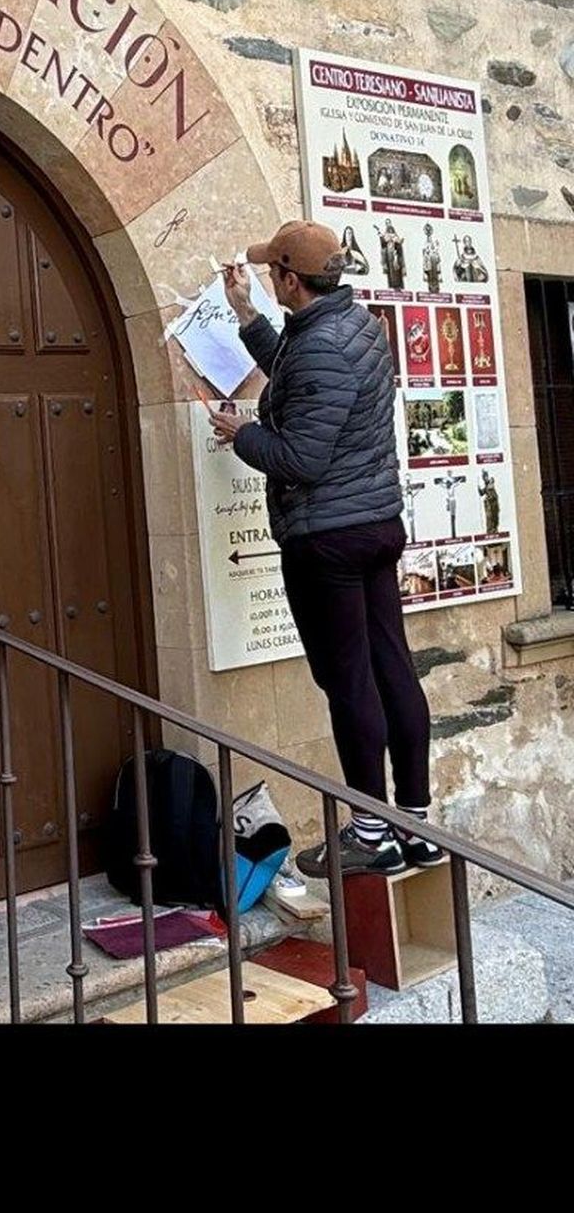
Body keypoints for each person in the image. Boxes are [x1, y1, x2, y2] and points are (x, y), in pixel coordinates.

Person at [209, 220, 442, 877]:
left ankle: (370, 829)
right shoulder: (356, 327)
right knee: (392, 665)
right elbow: (305, 371)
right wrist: (249, 318)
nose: (265, 280)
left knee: (348, 680)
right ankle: (414, 825)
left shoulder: (318, 348)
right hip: (374, 526)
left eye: (269, 274)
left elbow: (302, 458)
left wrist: (241, 432)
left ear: (291, 278)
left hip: (329, 537)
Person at [379, 219, 406, 290]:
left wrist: (398, 242)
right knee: (391, 272)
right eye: (387, 223)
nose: (388, 224)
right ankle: (392, 285)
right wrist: (381, 237)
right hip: (389, 256)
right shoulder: (385, 234)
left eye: (389, 222)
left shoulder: (394, 233)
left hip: (396, 257)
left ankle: (399, 285)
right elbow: (383, 245)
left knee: (397, 270)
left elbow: (398, 244)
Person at [422, 224, 442, 294]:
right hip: (429, 266)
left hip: (434, 265)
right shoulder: (426, 248)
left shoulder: (435, 251)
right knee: (430, 275)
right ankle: (431, 288)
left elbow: (438, 259)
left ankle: (436, 288)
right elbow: (425, 257)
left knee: (435, 275)